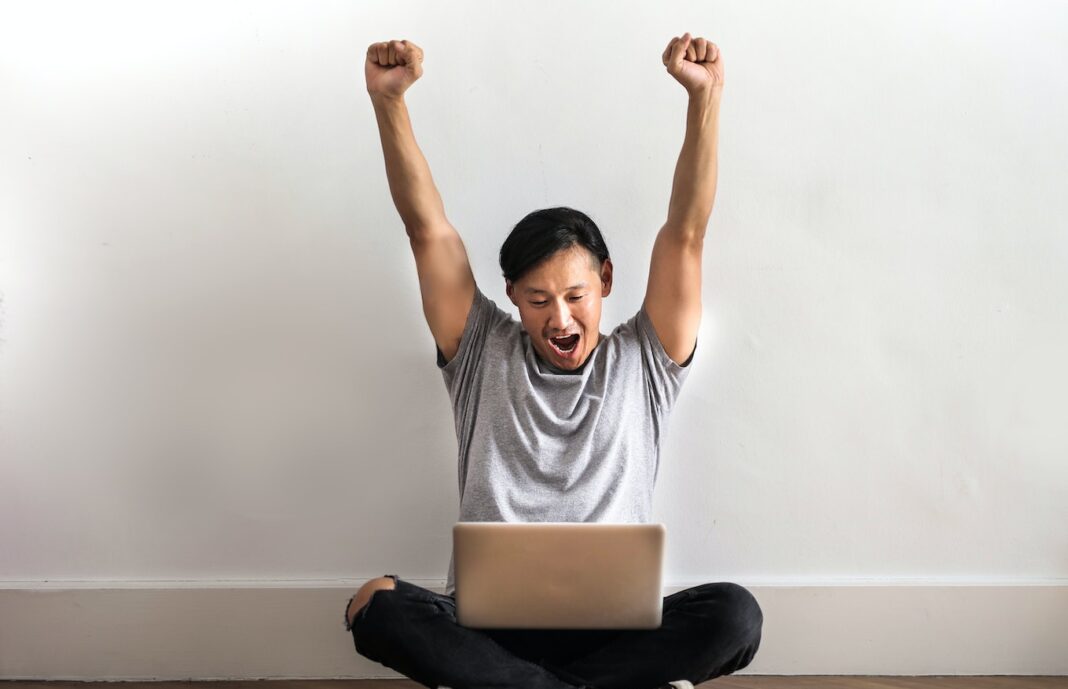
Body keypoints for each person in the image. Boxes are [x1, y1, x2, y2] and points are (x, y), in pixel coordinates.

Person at [344, 33, 762, 689]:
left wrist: (704, 98)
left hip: (615, 632)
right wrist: (389, 103)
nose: (560, 318)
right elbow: (427, 229)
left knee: (735, 614)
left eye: (575, 295)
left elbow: (687, 231)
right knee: (375, 604)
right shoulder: (481, 348)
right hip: (490, 629)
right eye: (538, 299)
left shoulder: (644, 359)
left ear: (607, 282)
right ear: (510, 295)